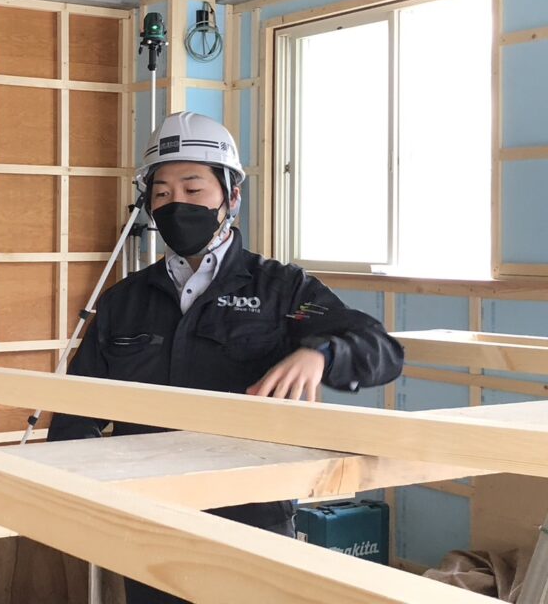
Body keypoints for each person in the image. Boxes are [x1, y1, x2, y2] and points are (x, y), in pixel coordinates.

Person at [47, 111, 404, 604]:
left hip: (250, 515)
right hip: (148, 515)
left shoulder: (282, 291)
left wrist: (321, 352)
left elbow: (381, 350)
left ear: (232, 196)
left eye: (193, 189)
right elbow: (76, 411)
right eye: (162, 193)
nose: (177, 204)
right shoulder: (124, 301)